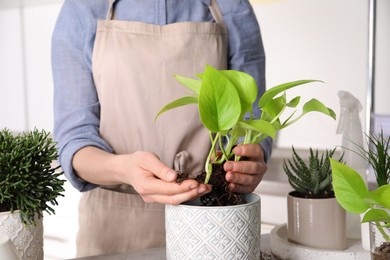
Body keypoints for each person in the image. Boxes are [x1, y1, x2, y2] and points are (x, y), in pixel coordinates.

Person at [51, 0, 272, 257]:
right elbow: (74, 142)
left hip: (213, 216)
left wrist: (249, 159)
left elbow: (253, 117)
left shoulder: (231, 5)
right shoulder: (83, 7)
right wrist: (125, 169)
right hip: (114, 225)